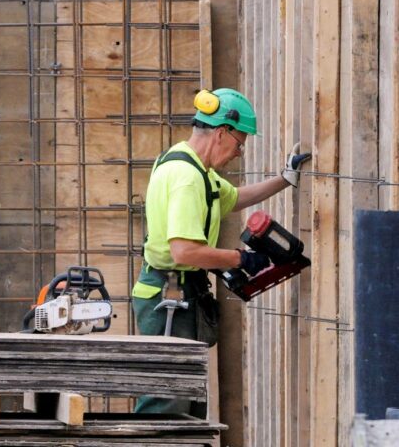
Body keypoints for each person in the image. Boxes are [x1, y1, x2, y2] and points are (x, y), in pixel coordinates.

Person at [130, 88, 311, 417]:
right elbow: (184, 251)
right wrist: (240, 258)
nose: (239, 153)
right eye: (240, 143)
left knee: (185, 402)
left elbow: (232, 198)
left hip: (178, 291)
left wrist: (285, 179)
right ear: (221, 132)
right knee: (166, 401)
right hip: (168, 296)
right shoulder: (186, 178)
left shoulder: (193, 168)